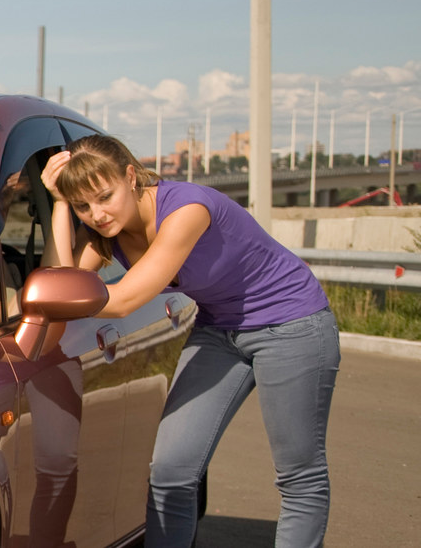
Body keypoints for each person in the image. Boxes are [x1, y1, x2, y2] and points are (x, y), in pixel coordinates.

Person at [39, 134, 339, 548]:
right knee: (170, 471)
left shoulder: (187, 208)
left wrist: (69, 302)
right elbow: (58, 283)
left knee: (298, 474)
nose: (97, 214)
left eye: (105, 197)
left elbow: (123, 299)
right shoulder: (104, 229)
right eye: (82, 206)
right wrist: (57, 203)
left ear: (130, 175)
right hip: (219, 329)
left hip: (292, 324)